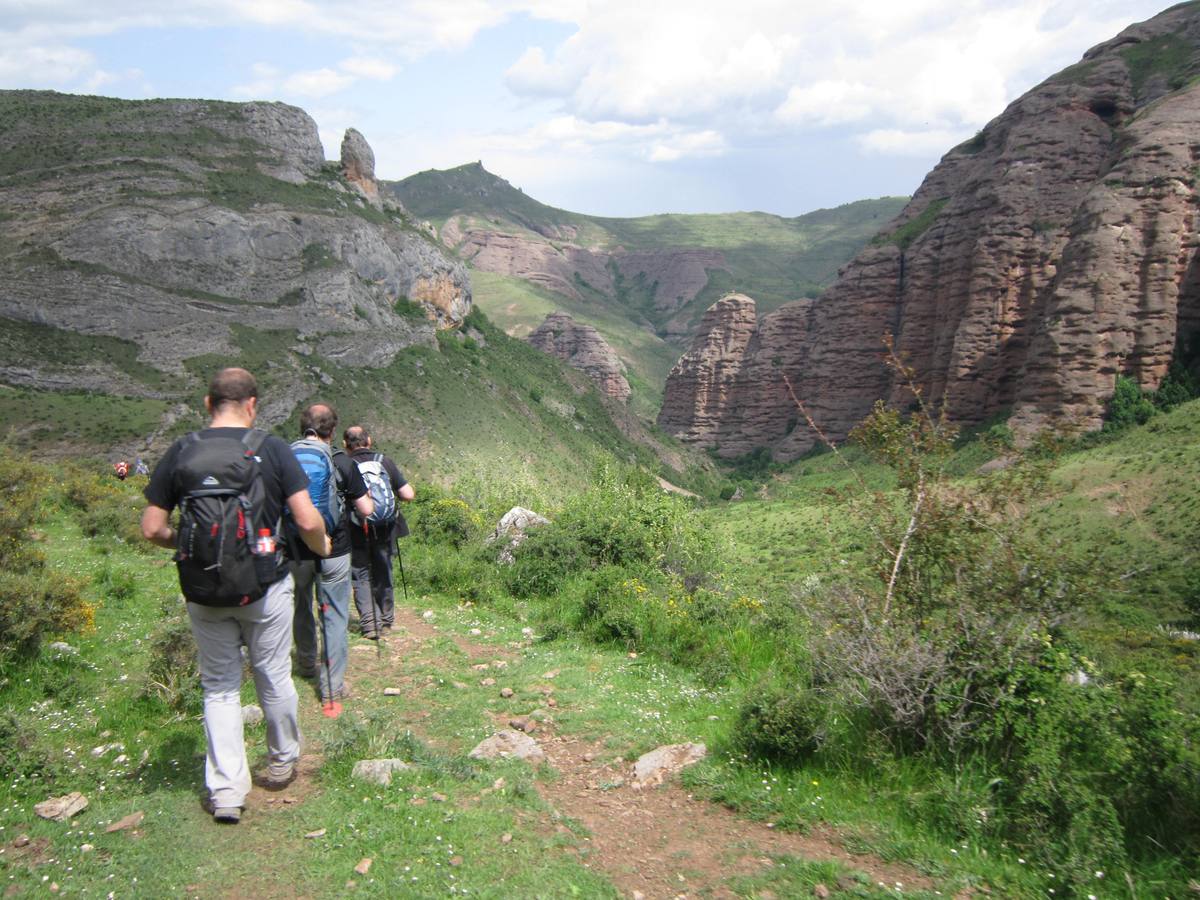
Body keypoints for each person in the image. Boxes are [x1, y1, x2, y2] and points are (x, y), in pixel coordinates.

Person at [140, 368, 331, 825]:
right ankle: (283, 759)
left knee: (220, 688)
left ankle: (226, 790)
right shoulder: (271, 448)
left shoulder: (182, 450)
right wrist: (322, 547)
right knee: (273, 675)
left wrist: (186, 545)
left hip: (203, 591)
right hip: (266, 587)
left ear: (208, 404)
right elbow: (306, 521)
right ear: (252, 405)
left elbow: (152, 528)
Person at [289, 404, 372, 705]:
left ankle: (306, 662)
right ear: (333, 430)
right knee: (335, 614)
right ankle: (332, 686)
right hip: (334, 548)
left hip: (295, 548)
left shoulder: (284, 459)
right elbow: (365, 509)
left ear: (302, 427)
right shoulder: (342, 462)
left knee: (301, 603)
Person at [344, 425, 415, 638]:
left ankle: (369, 625)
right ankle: (386, 621)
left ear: (345, 445)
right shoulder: (384, 461)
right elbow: (408, 494)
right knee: (383, 571)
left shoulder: (345, 465)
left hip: (357, 529)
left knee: (361, 574)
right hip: (385, 529)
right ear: (369, 441)